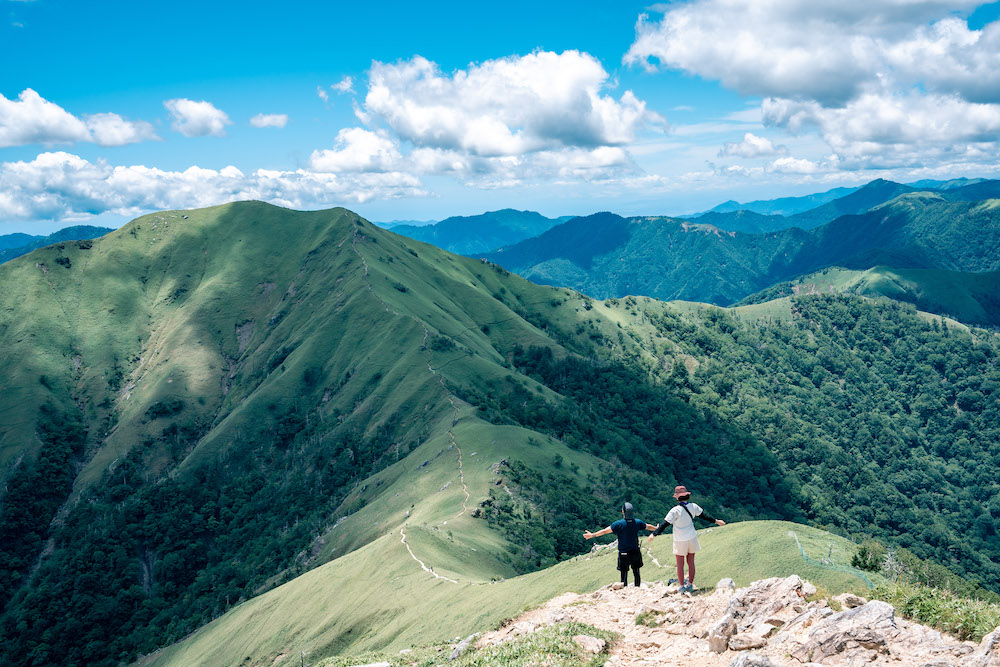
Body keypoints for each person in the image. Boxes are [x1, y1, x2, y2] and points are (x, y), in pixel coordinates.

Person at [648, 485, 725, 593]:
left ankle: (681, 586)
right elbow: (704, 516)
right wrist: (717, 521)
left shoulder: (675, 511)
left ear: (677, 497)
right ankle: (690, 585)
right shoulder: (693, 507)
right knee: (691, 562)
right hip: (692, 538)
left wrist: (654, 534)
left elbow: (664, 524)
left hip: (680, 540)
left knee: (680, 564)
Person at [584, 502, 657, 587]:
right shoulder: (638, 522)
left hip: (624, 553)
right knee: (636, 572)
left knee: (624, 574)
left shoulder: (618, 524)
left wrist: (592, 535)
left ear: (623, 511)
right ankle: (637, 589)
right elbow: (648, 526)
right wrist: (656, 528)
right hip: (635, 552)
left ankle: (623, 590)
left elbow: (604, 531)